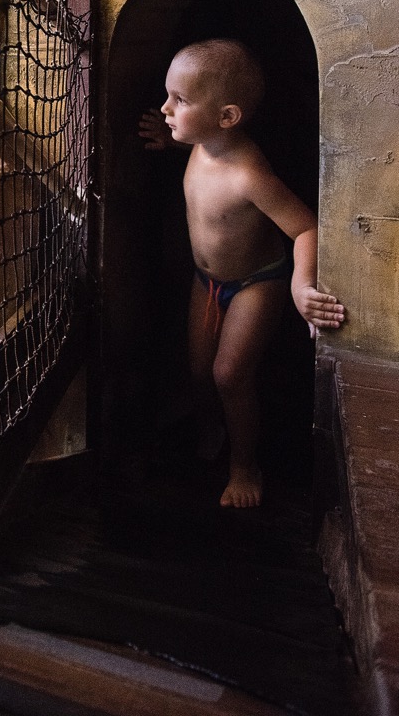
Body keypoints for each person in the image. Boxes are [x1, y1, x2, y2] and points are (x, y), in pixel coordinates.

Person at [138, 38, 345, 508]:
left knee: (229, 374)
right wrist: (169, 140)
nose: (166, 107)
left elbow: (305, 226)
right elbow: (200, 161)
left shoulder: (249, 174)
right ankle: (212, 425)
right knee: (198, 371)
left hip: (257, 282)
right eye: (168, 95)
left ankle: (244, 465)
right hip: (204, 281)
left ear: (227, 117)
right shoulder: (202, 142)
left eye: (181, 101)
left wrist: (300, 283)